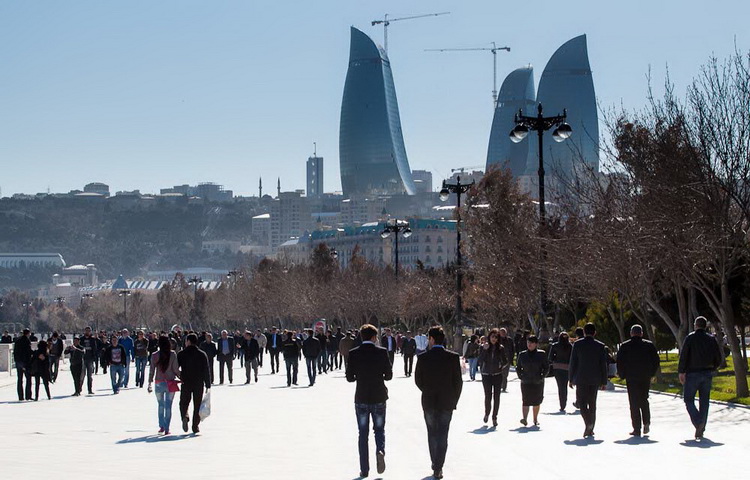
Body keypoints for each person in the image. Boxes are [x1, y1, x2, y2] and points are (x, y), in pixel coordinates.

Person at [414, 326, 462, 480]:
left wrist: (427, 390)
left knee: (432, 434)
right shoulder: (453, 357)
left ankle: (435, 463)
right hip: (447, 401)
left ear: (432, 339)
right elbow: (458, 382)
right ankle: (438, 467)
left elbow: (418, 380)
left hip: (429, 401)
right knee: (443, 434)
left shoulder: (423, 357)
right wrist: (454, 398)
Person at [346, 324, 393, 478]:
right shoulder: (382, 352)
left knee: (363, 433)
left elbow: (349, 377)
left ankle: (364, 469)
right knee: (379, 430)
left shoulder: (354, 353)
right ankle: (380, 450)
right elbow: (389, 375)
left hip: (361, 397)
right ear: (374, 337)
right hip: (379, 396)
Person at [677, 316, 723, 440]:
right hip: (707, 373)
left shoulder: (690, 338)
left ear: (695, 325)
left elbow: (684, 355)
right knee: (704, 402)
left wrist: (681, 371)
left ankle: (698, 422)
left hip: (692, 373)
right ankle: (701, 427)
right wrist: (714, 367)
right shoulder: (711, 339)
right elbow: (718, 357)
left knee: (688, 399)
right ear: (705, 326)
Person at [617, 324, 660, 437]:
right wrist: (652, 373)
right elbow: (656, 361)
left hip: (631, 378)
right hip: (645, 376)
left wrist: (622, 375)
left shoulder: (625, 346)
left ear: (631, 333)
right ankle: (646, 421)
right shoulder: (649, 345)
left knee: (634, 402)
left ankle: (637, 428)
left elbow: (620, 362)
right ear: (641, 333)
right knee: (644, 399)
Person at [569, 323, 608, 438]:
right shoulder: (600, 346)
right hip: (595, 379)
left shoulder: (577, 344)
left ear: (584, 332)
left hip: (581, 378)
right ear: (594, 333)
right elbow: (603, 365)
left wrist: (571, 378)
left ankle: (588, 423)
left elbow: (573, 362)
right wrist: (604, 381)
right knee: (592, 404)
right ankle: (590, 428)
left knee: (581, 403)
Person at [177, 333, 211, 434]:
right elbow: (206, 370)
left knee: (183, 402)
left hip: (186, 382)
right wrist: (208, 383)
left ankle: (185, 416)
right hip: (198, 383)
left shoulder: (182, 354)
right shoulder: (202, 354)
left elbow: (176, 368)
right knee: (197, 404)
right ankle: (195, 426)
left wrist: (180, 376)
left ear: (188, 341)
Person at [148, 336, 180, 435]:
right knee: (168, 406)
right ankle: (167, 428)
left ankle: (161, 426)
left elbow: (152, 370)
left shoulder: (154, 355)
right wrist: (182, 377)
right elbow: (175, 369)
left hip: (159, 382)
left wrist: (149, 382)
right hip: (170, 382)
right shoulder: (173, 354)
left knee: (160, 405)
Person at [478, 329, 508, 426]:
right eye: (492, 337)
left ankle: (494, 417)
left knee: (497, 397)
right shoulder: (483, 347)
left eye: (496, 337)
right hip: (486, 374)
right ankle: (487, 413)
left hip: (497, 375)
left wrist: (500, 365)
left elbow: (505, 360)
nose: (494, 339)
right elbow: (480, 360)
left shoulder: (501, 348)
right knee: (488, 396)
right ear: (489, 337)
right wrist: (484, 350)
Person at [516, 335, 549, 427]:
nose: (529, 344)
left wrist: (542, 376)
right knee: (525, 400)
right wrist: (521, 376)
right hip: (525, 381)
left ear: (536, 344)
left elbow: (546, 367)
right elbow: (518, 367)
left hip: (537, 381)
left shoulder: (541, 354)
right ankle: (525, 419)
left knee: (536, 401)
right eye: (528, 342)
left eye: (531, 343)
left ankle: (535, 419)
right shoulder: (522, 355)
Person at [548, 332, 572, 412]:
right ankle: (563, 403)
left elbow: (550, 358)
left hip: (557, 368)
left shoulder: (555, 346)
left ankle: (562, 404)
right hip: (567, 368)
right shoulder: (570, 346)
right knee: (564, 386)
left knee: (560, 386)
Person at [13, 328, 33, 401]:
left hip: (18, 362)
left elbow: (15, 352)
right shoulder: (27, 341)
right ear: (28, 334)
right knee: (28, 379)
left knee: (20, 380)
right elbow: (28, 352)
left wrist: (17, 361)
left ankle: (20, 396)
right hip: (25, 363)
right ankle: (28, 396)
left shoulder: (17, 341)